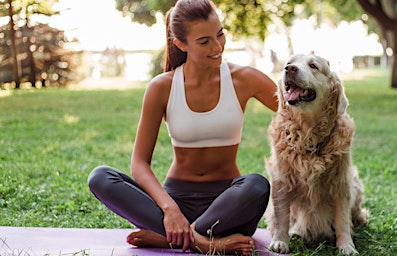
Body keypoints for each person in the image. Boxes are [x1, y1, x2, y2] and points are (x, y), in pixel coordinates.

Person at [87, 0, 278, 255]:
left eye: (220, 34)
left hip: (229, 206)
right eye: (204, 41)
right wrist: (170, 209)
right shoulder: (162, 87)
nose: (217, 46)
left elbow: (296, 109)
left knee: (257, 185)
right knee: (100, 177)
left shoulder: (244, 79)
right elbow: (139, 163)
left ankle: (170, 240)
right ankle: (204, 243)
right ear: (181, 44)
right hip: (175, 203)